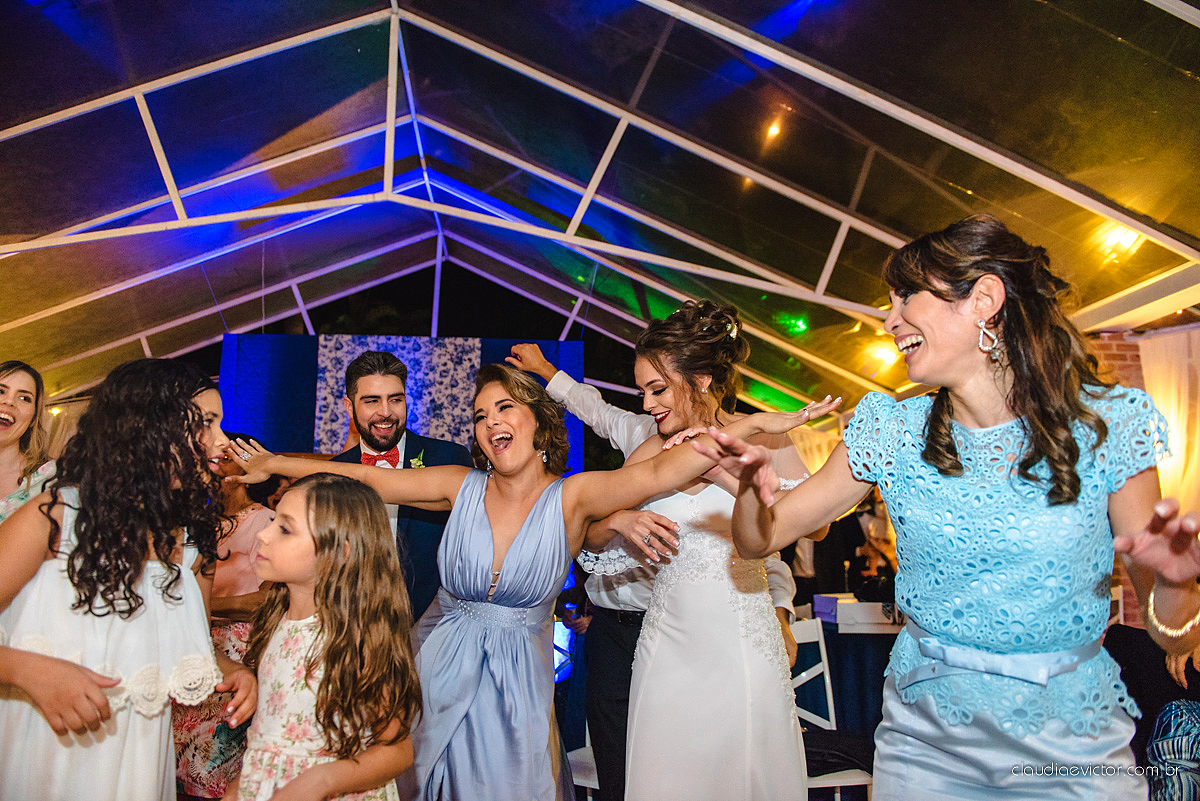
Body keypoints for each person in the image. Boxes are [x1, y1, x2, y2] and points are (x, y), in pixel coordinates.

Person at [696, 214, 1200, 800]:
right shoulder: (891, 432)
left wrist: (1177, 584)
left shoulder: (1108, 425)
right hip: (926, 747)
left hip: (1069, 749)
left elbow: (1174, 639)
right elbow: (761, 539)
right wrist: (753, 497)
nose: (889, 321)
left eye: (906, 297)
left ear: (984, 298)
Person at [227, 363, 816, 801]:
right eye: (480, 416)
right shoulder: (458, 485)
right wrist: (277, 463)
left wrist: (755, 426)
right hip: (432, 667)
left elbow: (666, 467)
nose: (489, 424)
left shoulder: (575, 495)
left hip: (517, 688)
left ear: (538, 420)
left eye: (504, 408)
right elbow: (360, 478)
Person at [516, 302, 832, 801]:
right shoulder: (651, 446)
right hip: (664, 643)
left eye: (656, 389)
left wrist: (723, 469)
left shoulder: (766, 433)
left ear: (702, 379)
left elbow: (816, 526)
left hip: (740, 639)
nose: (646, 404)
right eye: (642, 390)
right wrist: (620, 518)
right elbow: (589, 527)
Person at [0, 359, 257, 801]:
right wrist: (29, 671)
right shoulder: (56, 517)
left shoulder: (191, 541)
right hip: (44, 746)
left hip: (137, 754)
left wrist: (231, 669)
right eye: (207, 424)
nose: (221, 442)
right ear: (149, 428)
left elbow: (186, 639)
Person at [225, 473, 421, 801]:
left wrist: (322, 780)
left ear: (339, 553)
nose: (263, 534)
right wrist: (243, 784)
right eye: (273, 521)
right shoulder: (275, 622)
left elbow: (397, 751)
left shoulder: (356, 639)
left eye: (284, 529)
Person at [329, 351, 473, 621]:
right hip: (351, 624)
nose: (386, 412)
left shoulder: (448, 459)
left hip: (435, 626)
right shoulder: (334, 475)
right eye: (372, 401)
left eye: (395, 399)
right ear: (349, 407)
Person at [174, 431, 276, 801]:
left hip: (235, 648)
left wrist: (198, 608)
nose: (215, 460)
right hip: (192, 642)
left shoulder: (265, 521)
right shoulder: (198, 521)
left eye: (228, 455)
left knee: (212, 759)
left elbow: (265, 600)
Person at [0, 360, 54, 524]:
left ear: (33, 419)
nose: (9, 402)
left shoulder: (51, 481)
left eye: (24, 398)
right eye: (0, 391)